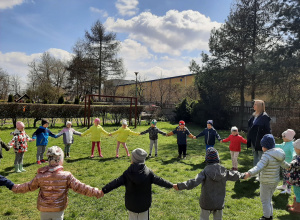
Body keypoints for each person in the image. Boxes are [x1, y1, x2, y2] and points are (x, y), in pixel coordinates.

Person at [12, 146, 101, 220]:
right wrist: (95, 191)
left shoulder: (40, 175)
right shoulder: (66, 176)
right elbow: (80, 187)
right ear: (59, 159)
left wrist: (15, 187)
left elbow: (29, 186)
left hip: (44, 209)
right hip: (58, 209)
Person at [99, 148, 174, 220]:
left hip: (131, 204)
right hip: (144, 205)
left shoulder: (127, 173)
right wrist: (172, 185)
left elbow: (116, 182)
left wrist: (104, 190)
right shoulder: (149, 173)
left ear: (133, 159)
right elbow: (160, 181)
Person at [173, 147, 244, 220]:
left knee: (203, 218)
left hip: (206, 201)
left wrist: (180, 186)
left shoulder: (204, 172)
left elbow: (194, 181)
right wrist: (243, 175)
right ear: (218, 159)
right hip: (219, 202)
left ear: (207, 160)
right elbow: (234, 174)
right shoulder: (224, 171)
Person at [244, 134, 289, 220]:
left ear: (266, 146)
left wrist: (249, 173)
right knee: (268, 199)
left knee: (265, 200)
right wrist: (289, 166)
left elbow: (258, 167)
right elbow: (284, 164)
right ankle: (270, 215)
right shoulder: (278, 154)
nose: (262, 148)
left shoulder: (266, 155)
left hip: (266, 182)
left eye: (262, 146)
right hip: (275, 181)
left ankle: (266, 217)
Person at [247, 100, 271, 171]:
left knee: (261, 157)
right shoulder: (254, 115)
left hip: (261, 141)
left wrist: (266, 142)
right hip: (253, 140)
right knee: (255, 157)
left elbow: (268, 130)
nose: (253, 106)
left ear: (259, 106)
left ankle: (260, 174)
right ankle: (255, 172)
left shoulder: (264, 117)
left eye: (255, 104)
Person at [275, 129, 296, 194]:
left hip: (289, 165)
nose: (282, 137)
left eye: (283, 136)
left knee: (289, 177)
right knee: (284, 175)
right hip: (284, 163)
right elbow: (280, 146)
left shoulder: (291, 144)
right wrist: (272, 145)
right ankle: (284, 186)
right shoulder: (285, 143)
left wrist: (294, 159)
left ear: (288, 137)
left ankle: (288, 190)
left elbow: (293, 152)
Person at [286, 139, 300, 214]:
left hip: (298, 180)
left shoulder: (299, 158)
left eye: (295, 147)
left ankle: (297, 208)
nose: (294, 148)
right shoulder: (298, 156)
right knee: (297, 192)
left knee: (298, 193)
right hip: (297, 179)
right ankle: (295, 205)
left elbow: (295, 163)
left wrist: (290, 165)